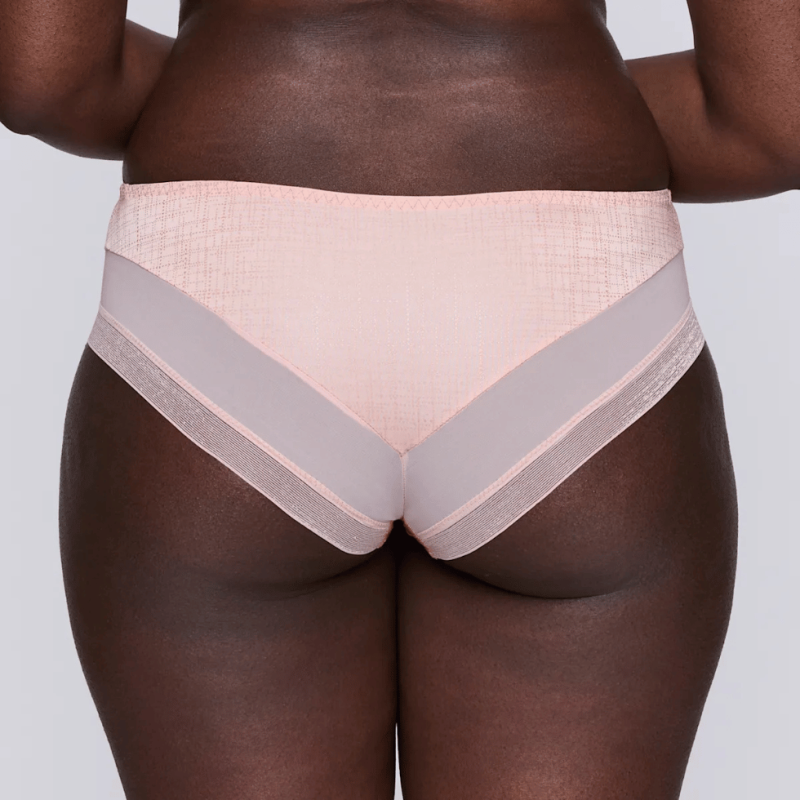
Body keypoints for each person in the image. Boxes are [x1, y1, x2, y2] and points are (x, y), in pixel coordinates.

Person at [0, 1, 796, 797]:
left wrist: (223, 87)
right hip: (564, 301)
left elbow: (45, 79)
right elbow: (774, 120)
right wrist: (570, 99)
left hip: (227, 285)